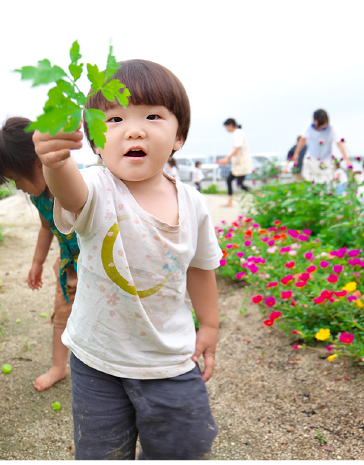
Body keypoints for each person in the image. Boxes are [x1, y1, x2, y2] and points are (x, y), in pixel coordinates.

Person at [33, 59, 222, 460]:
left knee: (183, 447)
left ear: (179, 136)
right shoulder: (97, 189)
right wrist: (55, 162)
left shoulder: (193, 204)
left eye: (153, 116)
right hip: (98, 359)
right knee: (101, 452)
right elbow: (69, 193)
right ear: (97, 141)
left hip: (169, 360)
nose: (134, 129)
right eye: (114, 119)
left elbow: (201, 269)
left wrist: (208, 323)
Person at [0, 117, 80, 392]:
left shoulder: (75, 185)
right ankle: (59, 366)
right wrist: (37, 262)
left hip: (98, 266)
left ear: (39, 162)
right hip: (69, 267)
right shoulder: (39, 198)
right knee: (61, 316)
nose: (17, 187)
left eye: (16, 179)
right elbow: (45, 227)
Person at [291, 109, 351, 183]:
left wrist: (346, 159)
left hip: (326, 160)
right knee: (310, 180)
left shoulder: (332, 129)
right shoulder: (308, 126)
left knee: (326, 181)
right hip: (311, 158)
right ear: (314, 121)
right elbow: (302, 140)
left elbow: (339, 144)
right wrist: (296, 154)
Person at [216, 118, 252, 207]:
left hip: (241, 163)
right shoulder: (238, 133)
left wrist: (227, 158)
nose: (226, 129)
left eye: (226, 127)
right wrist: (227, 159)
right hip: (238, 163)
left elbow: (237, 148)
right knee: (233, 181)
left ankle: (258, 194)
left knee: (238, 183)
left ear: (230, 125)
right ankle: (229, 201)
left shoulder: (238, 133)